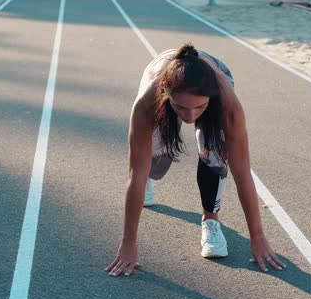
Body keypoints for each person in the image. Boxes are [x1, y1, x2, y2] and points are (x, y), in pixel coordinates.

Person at [105, 43, 286, 276]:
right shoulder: (145, 105)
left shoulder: (228, 105)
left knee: (214, 156)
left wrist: (258, 237)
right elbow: (135, 174)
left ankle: (211, 220)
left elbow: (241, 172)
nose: (190, 117)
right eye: (181, 108)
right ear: (167, 96)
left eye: (199, 107)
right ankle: (154, 171)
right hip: (160, 83)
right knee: (150, 160)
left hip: (215, 77)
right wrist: (128, 242)